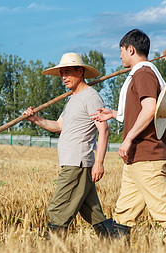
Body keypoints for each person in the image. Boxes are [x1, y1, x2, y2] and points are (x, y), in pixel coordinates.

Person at [90, 29, 166, 240]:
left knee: (164, 211)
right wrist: (114, 114)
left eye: (121, 51)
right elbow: (140, 112)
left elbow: (150, 109)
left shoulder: (143, 73)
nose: (119, 56)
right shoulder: (143, 73)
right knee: (124, 213)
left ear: (131, 49)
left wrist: (127, 139)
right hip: (136, 158)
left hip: (147, 155)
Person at [22, 52, 113, 238]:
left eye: (67, 72)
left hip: (77, 163)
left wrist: (99, 162)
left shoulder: (91, 97)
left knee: (58, 209)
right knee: (93, 213)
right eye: (61, 73)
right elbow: (58, 126)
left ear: (80, 71)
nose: (63, 77)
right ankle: (116, 245)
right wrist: (35, 119)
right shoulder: (72, 98)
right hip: (73, 163)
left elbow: (104, 129)